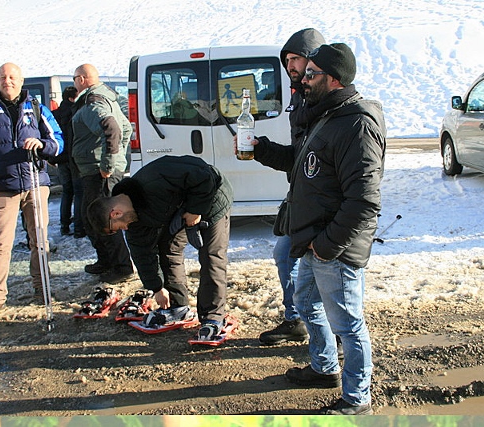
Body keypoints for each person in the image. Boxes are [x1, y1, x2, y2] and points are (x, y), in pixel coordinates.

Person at [251, 44, 386, 414]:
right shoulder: (326, 116)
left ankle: (358, 399)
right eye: (304, 72)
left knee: (348, 323)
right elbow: (301, 163)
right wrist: (260, 149)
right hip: (313, 240)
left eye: (311, 74)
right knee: (306, 302)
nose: (303, 80)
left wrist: (327, 246)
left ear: (334, 79)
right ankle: (324, 367)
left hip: (334, 246)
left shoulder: (356, 124)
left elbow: (364, 201)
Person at [87, 155, 233, 340]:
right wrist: (157, 288)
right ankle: (178, 306)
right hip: (181, 210)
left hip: (212, 196)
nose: (124, 229)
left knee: (211, 256)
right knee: (168, 249)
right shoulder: (134, 220)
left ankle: (212, 317)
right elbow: (141, 253)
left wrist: (196, 209)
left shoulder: (155, 179)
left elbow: (204, 175)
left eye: (117, 227)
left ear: (116, 213)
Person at [0, 62, 64, 324]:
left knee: (39, 241)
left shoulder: (36, 108)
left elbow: (58, 141)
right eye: (3, 77)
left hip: (34, 183)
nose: (7, 81)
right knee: (0, 245)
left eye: (12, 77)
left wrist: (42, 144)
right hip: (3, 187)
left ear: (21, 81)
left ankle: (42, 290)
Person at [257, 28, 325, 346]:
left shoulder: (323, 98)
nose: (290, 66)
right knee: (285, 255)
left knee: (320, 272)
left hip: (321, 203)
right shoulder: (299, 98)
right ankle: (295, 319)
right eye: (286, 60)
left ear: (313, 60)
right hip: (300, 196)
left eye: (295, 58)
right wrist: (261, 148)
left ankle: (330, 335)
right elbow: (299, 157)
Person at [71, 64, 133, 284]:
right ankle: (107, 261)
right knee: (94, 218)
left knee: (104, 220)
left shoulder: (93, 102)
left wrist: (108, 163)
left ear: (81, 79)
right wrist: (117, 159)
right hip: (99, 170)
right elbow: (126, 129)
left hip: (99, 172)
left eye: (74, 79)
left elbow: (113, 129)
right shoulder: (108, 99)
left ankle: (121, 266)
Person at [49, 86, 85, 238]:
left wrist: (52, 158)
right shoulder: (77, 113)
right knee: (79, 192)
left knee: (66, 191)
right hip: (75, 159)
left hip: (61, 159)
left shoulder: (54, 114)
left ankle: (64, 225)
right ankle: (78, 228)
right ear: (72, 98)